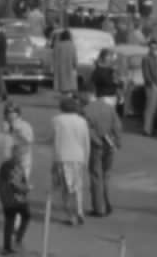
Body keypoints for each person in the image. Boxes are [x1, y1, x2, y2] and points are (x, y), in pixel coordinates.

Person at [80, 85, 122, 217]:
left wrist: (96, 141)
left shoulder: (86, 110)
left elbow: (87, 129)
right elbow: (117, 126)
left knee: (96, 176)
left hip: (96, 146)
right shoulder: (109, 108)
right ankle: (107, 203)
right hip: (110, 145)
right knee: (106, 175)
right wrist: (117, 141)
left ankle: (99, 208)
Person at [51, 97, 91, 226]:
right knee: (77, 187)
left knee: (66, 188)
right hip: (78, 157)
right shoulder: (82, 121)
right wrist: (86, 159)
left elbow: (54, 140)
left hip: (63, 157)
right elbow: (86, 142)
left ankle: (71, 216)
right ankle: (79, 211)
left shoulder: (57, 120)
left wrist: (54, 161)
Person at [0, 144, 31, 255]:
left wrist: (25, 188)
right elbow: (14, 183)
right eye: (21, 154)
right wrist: (26, 188)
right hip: (10, 199)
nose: (23, 157)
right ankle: (9, 246)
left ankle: (15, 242)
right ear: (15, 153)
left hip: (17, 198)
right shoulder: (9, 165)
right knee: (10, 221)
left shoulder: (17, 165)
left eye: (23, 155)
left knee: (25, 216)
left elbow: (22, 180)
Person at [0, 102, 35, 181]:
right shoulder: (1, 126)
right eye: (8, 112)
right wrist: (3, 132)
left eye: (13, 112)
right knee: (6, 182)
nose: (10, 114)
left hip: (22, 158)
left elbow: (29, 141)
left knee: (21, 181)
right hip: (7, 159)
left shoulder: (25, 125)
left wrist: (18, 131)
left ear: (18, 113)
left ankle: (23, 187)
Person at [141, 40, 157, 136]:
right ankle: (147, 130)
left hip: (156, 85)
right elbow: (146, 74)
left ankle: (150, 128)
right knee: (149, 108)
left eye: (155, 48)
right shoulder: (146, 58)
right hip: (151, 86)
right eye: (152, 48)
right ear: (149, 48)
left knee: (153, 108)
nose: (154, 50)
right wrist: (152, 84)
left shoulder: (154, 58)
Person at [52, 29, 78, 97]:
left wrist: (53, 67)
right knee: (69, 84)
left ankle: (64, 97)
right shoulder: (72, 45)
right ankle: (68, 96)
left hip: (60, 67)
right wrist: (75, 65)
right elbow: (74, 57)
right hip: (70, 67)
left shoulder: (57, 45)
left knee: (62, 84)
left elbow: (54, 56)